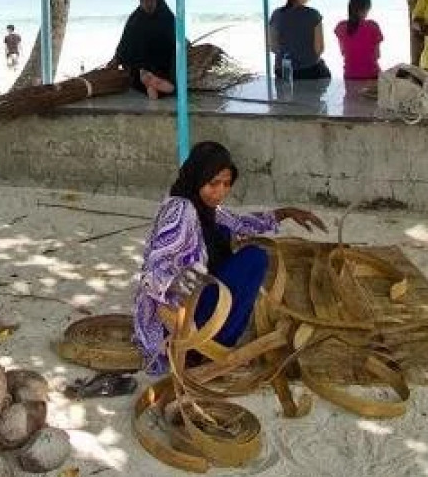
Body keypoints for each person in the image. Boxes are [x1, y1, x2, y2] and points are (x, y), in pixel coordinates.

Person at [133, 141, 326, 375]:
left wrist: (285, 213)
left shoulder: (204, 207)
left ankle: (212, 337)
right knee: (253, 259)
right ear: (197, 178)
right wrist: (181, 292)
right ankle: (208, 346)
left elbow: (241, 223)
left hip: (198, 294)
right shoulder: (181, 210)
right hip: (181, 316)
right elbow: (153, 272)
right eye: (213, 183)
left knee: (228, 236)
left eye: (226, 184)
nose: (221, 191)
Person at [106, 0, 178, 99]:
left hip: (162, 66)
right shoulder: (135, 18)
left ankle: (150, 83)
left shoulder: (168, 17)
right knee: (144, 80)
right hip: (138, 67)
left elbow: (176, 42)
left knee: (170, 85)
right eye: (142, 0)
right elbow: (124, 42)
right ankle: (150, 81)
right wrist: (116, 59)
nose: (146, 4)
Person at [267, 0, 330, 81]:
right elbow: (319, 49)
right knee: (325, 73)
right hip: (309, 70)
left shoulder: (276, 14)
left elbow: (273, 47)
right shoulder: (313, 15)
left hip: (283, 70)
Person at [334, 0, 384, 81]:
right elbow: (377, 55)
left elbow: (343, 52)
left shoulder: (341, 27)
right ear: (368, 7)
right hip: (372, 76)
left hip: (350, 76)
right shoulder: (373, 26)